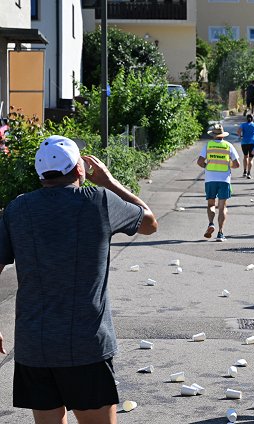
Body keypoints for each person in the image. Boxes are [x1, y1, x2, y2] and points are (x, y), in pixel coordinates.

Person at [0, 135, 158, 424]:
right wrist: (109, 181)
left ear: (40, 173)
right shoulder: (100, 201)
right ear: (80, 170)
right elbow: (149, 223)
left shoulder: (16, 210)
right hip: (86, 346)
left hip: (34, 348)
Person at [198, 124, 241, 241]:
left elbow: (200, 162)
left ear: (213, 135)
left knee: (211, 204)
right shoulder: (228, 146)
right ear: (223, 135)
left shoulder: (208, 145)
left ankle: (211, 223)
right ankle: (220, 233)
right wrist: (228, 164)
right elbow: (237, 164)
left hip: (210, 179)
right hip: (224, 179)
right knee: (222, 207)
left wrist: (207, 165)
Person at [237, 113, 254, 179]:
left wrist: (241, 136)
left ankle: (244, 171)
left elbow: (238, 131)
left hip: (244, 142)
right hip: (253, 142)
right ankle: (249, 173)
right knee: (251, 158)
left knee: (245, 156)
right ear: (253, 119)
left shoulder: (243, 125)